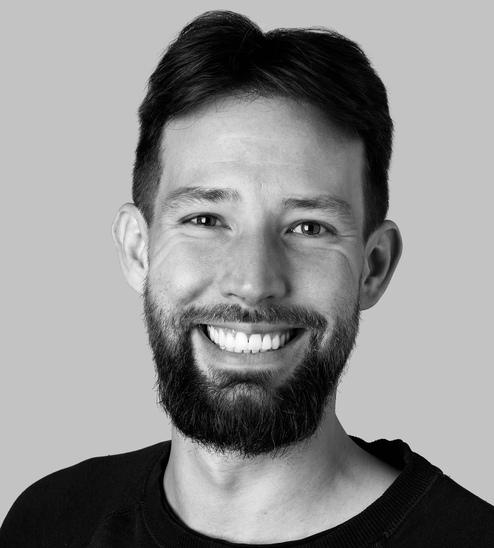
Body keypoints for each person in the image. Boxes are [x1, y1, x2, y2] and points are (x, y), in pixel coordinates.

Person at [1, 9, 493, 547]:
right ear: (139, 249)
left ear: (373, 267)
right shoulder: (49, 522)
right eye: (205, 220)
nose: (254, 283)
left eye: (309, 227)